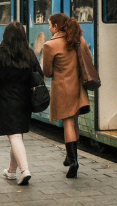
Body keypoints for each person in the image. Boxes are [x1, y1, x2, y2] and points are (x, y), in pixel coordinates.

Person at [42, 13, 91, 179]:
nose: (49, 28)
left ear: (56, 26)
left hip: (63, 89)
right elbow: (88, 60)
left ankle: (73, 162)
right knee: (74, 121)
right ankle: (70, 156)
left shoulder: (50, 45)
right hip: (78, 88)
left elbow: (47, 72)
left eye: (50, 25)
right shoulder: (79, 40)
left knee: (68, 123)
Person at [0, 22, 41, 186]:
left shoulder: (1, 53)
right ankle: (11, 171)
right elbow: (39, 73)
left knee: (14, 135)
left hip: (6, 100)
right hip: (25, 100)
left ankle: (25, 170)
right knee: (17, 134)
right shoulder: (29, 54)